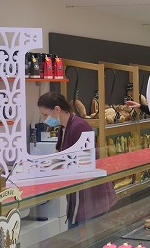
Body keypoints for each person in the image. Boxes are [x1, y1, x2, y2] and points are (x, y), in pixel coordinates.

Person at [38, 92, 117, 229]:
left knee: (88, 239)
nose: (44, 119)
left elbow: (87, 160)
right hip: (79, 196)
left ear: (57, 109)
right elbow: (62, 156)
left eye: (45, 115)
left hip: (91, 198)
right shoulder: (63, 129)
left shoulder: (79, 127)